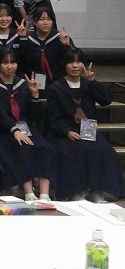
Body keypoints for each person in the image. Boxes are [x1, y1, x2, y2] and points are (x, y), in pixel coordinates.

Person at [46, 48, 124, 202]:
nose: (75, 66)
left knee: (105, 151)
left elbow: (106, 100)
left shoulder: (88, 84)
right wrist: (67, 131)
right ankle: (74, 192)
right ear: (65, 65)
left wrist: (93, 82)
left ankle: (101, 191)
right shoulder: (55, 88)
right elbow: (53, 118)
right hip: (65, 132)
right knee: (70, 152)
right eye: (71, 62)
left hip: (88, 130)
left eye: (78, 62)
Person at [0, 49, 55, 200]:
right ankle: (29, 193)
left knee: (45, 147)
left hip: (24, 128)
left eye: (13, 63)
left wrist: (35, 96)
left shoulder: (22, 84)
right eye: (5, 63)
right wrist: (15, 131)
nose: (10, 66)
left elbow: (34, 115)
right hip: (2, 130)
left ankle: (44, 194)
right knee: (21, 146)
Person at [19, 6, 72, 92]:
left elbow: (73, 59)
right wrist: (22, 39)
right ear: (34, 22)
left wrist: (67, 46)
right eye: (41, 19)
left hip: (58, 83)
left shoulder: (60, 38)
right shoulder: (29, 40)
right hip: (34, 83)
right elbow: (22, 63)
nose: (45, 23)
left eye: (49, 19)